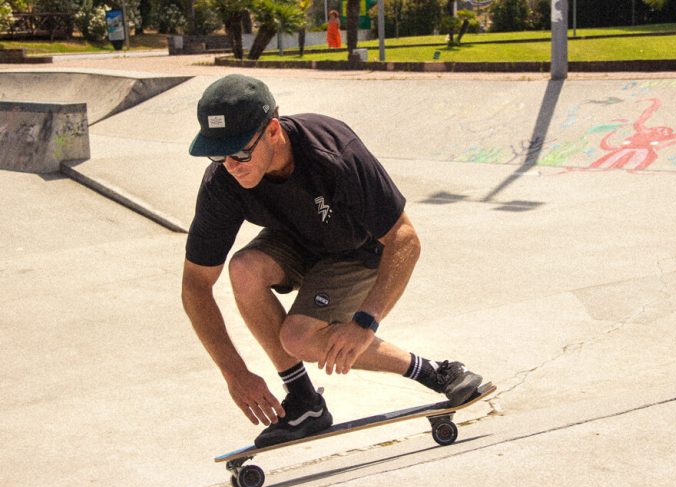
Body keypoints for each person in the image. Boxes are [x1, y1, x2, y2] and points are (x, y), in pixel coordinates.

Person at [182, 74, 483, 447]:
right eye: (218, 154)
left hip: (357, 250)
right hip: (297, 240)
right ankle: (305, 404)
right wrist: (235, 373)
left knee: (299, 338)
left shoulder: (335, 153)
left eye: (241, 152)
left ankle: (437, 373)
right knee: (244, 270)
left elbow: (405, 239)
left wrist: (364, 323)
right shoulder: (223, 181)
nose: (231, 165)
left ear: (273, 131)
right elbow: (196, 284)